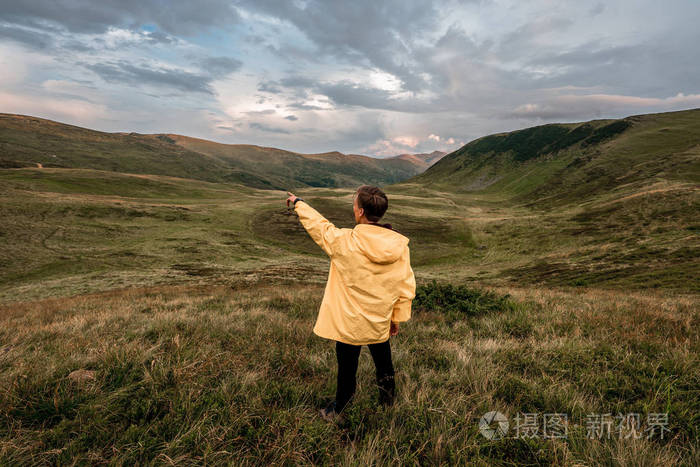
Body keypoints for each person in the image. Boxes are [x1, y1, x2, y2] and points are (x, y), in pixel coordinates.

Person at [286, 185, 416, 421]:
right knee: (384, 363)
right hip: (380, 319)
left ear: (360, 212)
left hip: (349, 323)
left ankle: (340, 408)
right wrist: (396, 317)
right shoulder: (398, 246)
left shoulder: (343, 240)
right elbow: (405, 285)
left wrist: (299, 203)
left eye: (355, 204)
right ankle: (388, 402)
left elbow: (319, 227)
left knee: (347, 368)